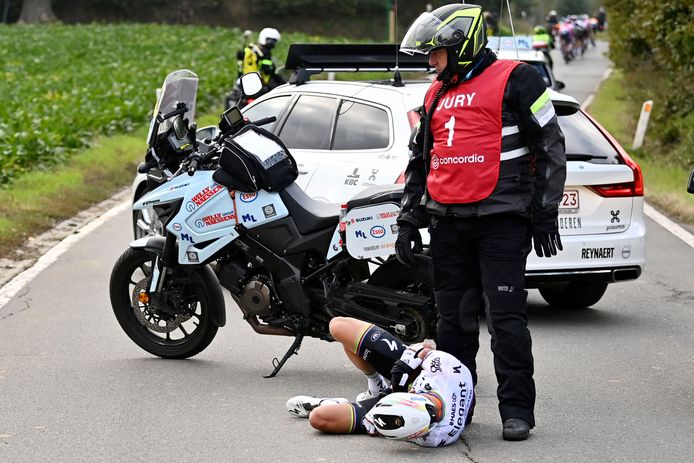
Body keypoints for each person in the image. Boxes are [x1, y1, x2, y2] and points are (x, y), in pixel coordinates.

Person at [395, 4, 566, 441]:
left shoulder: (520, 79)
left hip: (501, 223)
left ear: (462, 47)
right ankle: (457, 405)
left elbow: (551, 144)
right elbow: (420, 161)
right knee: (452, 322)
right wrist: (409, 220)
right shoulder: (435, 94)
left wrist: (545, 214)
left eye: (437, 54)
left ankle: (517, 411)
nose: (431, 63)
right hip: (447, 224)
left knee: (507, 321)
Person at [285, 316, 474, 447]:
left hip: (399, 406)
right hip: (414, 376)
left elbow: (398, 430)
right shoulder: (446, 370)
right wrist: (405, 365)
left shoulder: (432, 439)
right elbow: (424, 347)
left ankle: (333, 403)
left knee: (319, 418)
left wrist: (377, 425)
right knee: (338, 326)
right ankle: (375, 384)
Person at [236, 27, 286, 95]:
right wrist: (284, 83)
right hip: (259, 85)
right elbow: (267, 70)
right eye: (271, 41)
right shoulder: (264, 53)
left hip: (244, 83)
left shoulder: (249, 50)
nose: (273, 44)